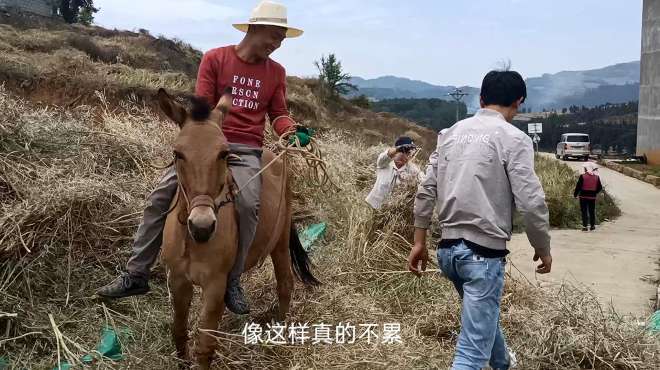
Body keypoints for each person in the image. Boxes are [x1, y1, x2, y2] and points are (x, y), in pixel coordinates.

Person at [97, 1, 306, 315]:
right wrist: (206, 146)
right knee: (159, 195)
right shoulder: (215, 59)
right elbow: (201, 111)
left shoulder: (276, 73)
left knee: (249, 204)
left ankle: (233, 279)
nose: (277, 45)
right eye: (275, 36)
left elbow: (277, 114)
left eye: (281, 40)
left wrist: (291, 129)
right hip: (208, 146)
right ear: (255, 28)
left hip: (247, 150)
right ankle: (137, 273)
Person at [408, 70, 553, 370]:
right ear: (519, 102)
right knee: (470, 354)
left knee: (482, 317)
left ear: (481, 98)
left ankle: (502, 363)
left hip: (447, 252)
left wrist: (419, 242)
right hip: (482, 257)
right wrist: (542, 246)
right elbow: (531, 201)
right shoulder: (514, 139)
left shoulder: (449, 134)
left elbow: (426, 190)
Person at [365, 136, 422, 209]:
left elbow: (423, 181)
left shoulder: (412, 170)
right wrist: (399, 148)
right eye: (402, 152)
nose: (405, 157)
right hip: (373, 206)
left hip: (391, 211)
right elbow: (384, 156)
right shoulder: (385, 163)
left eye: (408, 154)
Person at [574, 162, 603, 231]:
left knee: (584, 211)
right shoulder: (596, 177)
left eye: (585, 168)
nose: (584, 169)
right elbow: (600, 187)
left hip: (583, 197)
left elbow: (578, 187)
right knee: (592, 211)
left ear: (587, 169)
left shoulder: (582, 176)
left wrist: (575, 194)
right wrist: (594, 192)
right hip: (592, 197)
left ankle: (585, 226)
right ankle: (592, 226)